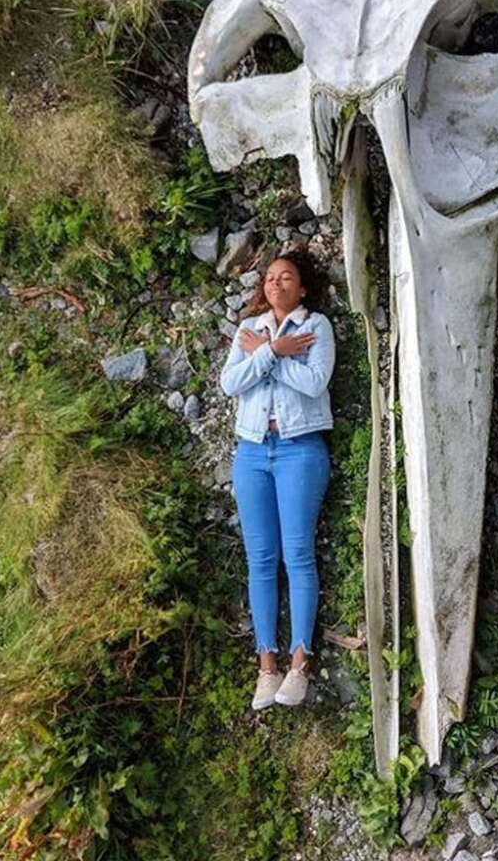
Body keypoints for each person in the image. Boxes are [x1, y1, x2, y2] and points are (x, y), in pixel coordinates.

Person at [219, 247, 335, 710]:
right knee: (260, 559)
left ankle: (300, 663)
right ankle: (266, 665)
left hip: (299, 450)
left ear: (302, 287)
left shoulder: (315, 327)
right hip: (251, 452)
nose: (275, 284)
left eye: (286, 277)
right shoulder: (249, 330)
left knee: (298, 554)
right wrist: (272, 350)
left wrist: (270, 357)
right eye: (269, 278)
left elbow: (314, 383)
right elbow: (230, 384)